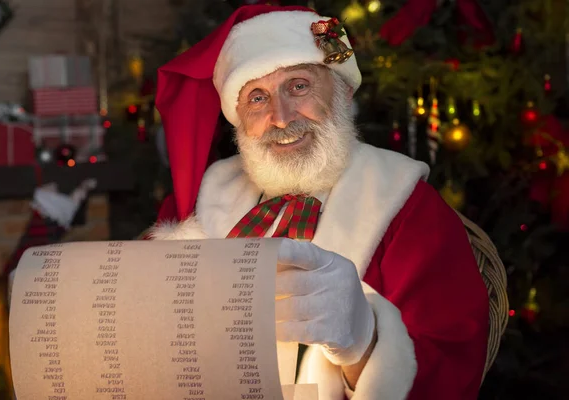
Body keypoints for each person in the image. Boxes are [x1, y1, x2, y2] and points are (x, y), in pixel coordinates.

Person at [149, 5, 490, 399]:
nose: (280, 118)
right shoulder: (198, 201)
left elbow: (453, 365)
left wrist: (366, 342)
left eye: (298, 86)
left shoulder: (409, 206)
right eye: (258, 98)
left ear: (342, 91)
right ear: (238, 119)